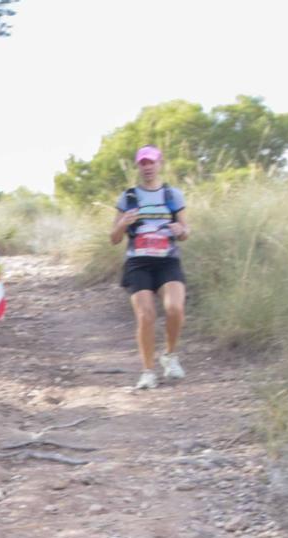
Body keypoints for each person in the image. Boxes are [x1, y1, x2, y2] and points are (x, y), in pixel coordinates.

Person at [110, 145, 190, 391]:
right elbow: (113, 238)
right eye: (142, 163)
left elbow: (186, 232)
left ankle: (169, 355)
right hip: (138, 263)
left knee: (174, 308)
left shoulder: (172, 196)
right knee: (146, 315)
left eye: (151, 162)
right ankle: (147, 372)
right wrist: (123, 223)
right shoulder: (129, 198)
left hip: (167, 261)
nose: (147, 167)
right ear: (138, 166)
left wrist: (181, 231)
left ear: (160, 163)